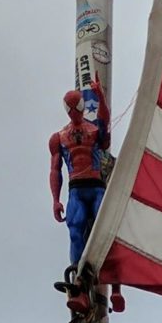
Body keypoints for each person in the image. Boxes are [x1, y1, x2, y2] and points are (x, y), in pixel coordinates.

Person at [50, 79, 111, 278]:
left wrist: (100, 96)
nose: (74, 111)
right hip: (76, 189)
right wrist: (55, 200)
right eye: (71, 107)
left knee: (106, 230)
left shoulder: (93, 131)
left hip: (96, 187)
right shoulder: (59, 137)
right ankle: (78, 279)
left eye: (77, 105)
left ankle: (114, 280)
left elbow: (104, 124)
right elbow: (55, 170)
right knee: (76, 230)